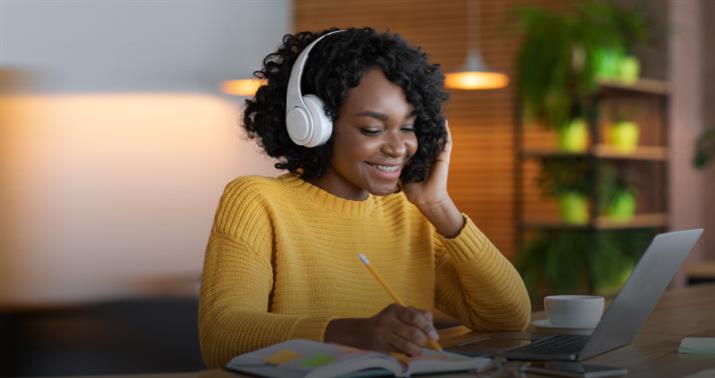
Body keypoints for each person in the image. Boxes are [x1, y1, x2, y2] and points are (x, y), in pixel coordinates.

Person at [198, 27, 531, 368]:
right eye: (372, 129)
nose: (398, 147)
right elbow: (223, 336)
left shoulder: (412, 213)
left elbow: (508, 319)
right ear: (314, 125)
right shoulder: (257, 201)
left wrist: (439, 206)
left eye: (408, 127)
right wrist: (355, 334)